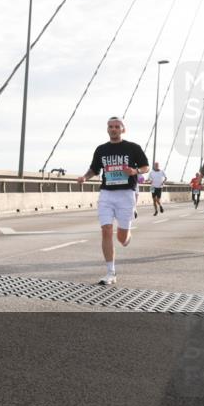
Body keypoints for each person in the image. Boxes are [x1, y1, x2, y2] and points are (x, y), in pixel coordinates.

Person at [76, 117, 149, 285]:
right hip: (107, 194)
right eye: (111, 127)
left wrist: (135, 171)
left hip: (126, 195)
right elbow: (94, 169)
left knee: (122, 239)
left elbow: (146, 167)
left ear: (123, 129)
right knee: (106, 229)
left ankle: (127, 234)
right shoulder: (101, 149)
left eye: (117, 126)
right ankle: (111, 272)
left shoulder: (133, 148)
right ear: (107, 129)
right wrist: (85, 177)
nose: (114, 129)